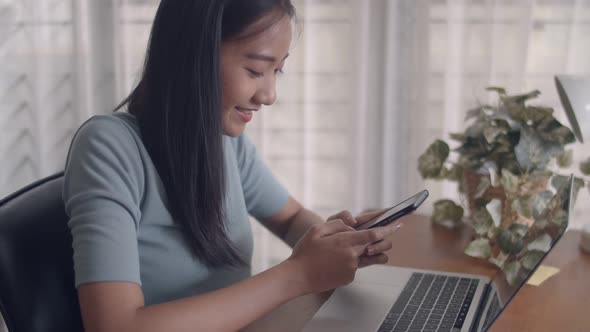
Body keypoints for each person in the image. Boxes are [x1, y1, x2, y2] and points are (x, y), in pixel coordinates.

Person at [63, 1, 401, 331]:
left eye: (276, 70)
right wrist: (299, 273)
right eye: (256, 70)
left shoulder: (225, 142)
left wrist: (340, 242)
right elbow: (115, 325)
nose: (269, 94)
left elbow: (291, 219)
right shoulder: (108, 147)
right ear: (192, 55)